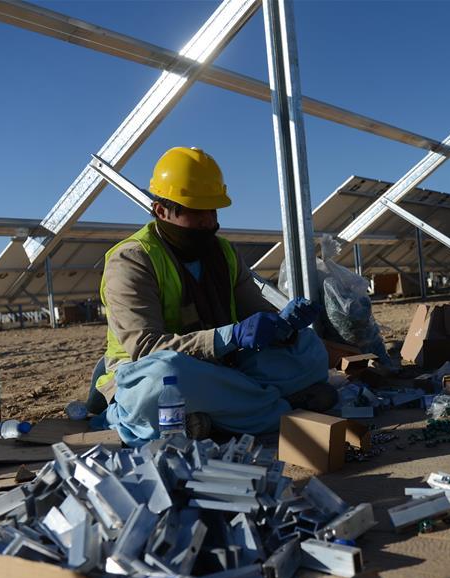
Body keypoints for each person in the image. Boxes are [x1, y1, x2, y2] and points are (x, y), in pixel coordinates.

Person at [93, 146, 332, 446]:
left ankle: (215, 417)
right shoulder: (131, 261)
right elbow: (147, 347)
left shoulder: (224, 253)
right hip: (148, 372)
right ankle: (121, 415)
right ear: (161, 211)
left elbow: (254, 313)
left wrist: (284, 325)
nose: (208, 221)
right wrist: (230, 336)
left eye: (213, 210)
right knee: (167, 377)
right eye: (196, 211)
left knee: (309, 349)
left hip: (218, 366)